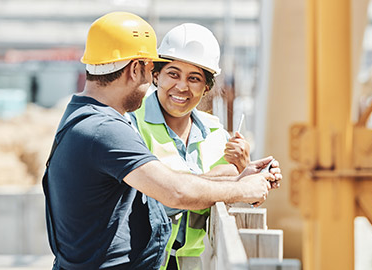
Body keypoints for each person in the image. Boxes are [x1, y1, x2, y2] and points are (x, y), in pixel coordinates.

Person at [42, 12, 281, 270]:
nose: (150, 81)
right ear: (135, 69)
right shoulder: (105, 129)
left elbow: (164, 186)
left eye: (194, 78)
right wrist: (242, 190)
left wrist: (237, 177)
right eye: (150, 70)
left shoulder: (87, 117)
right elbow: (174, 191)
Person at [129, 23, 275, 270]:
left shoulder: (214, 131)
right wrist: (221, 181)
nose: (182, 86)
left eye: (194, 78)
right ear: (156, 75)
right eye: (173, 74)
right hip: (140, 260)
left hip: (189, 262)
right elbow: (160, 194)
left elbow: (227, 188)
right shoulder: (132, 123)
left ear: (206, 87)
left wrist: (246, 168)